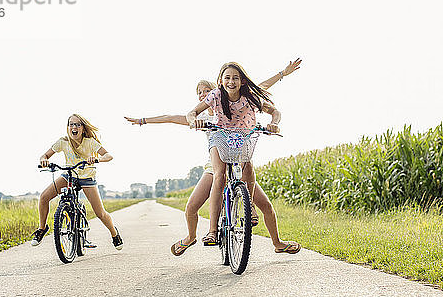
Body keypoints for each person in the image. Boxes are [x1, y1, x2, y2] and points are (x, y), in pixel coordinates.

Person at [125, 60, 301, 256]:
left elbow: (260, 88)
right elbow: (171, 117)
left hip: (239, 157)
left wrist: (282, 74)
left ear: (215, 88)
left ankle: (277, 242)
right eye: (199, 93)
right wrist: (143, 121)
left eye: (205, 91)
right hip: (216, 163)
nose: (203, 95)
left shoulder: (240, 98)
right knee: (193, 205)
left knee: (265, 204)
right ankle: (194, 236)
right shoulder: (207, 115)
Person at [32, 114, 124, 250]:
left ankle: (114, 233)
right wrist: (43, 160)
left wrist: (97, 159)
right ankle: (42, 229)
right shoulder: (63, 142)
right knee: (44, 197)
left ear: (82, 128)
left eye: (77, 124)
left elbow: (108, 156)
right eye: (71, 124)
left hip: (87, 177)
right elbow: (44, 155)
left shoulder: (90, 142)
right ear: (68, 127)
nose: (74, 127)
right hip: (69, 174)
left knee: (100, 213)